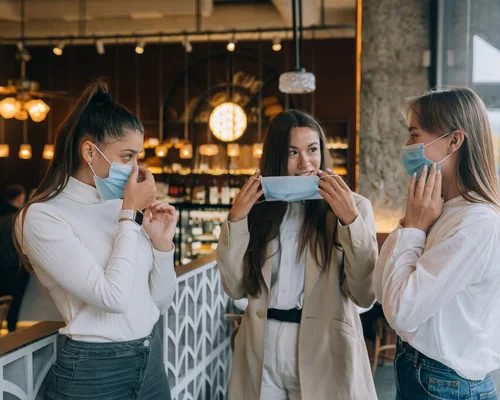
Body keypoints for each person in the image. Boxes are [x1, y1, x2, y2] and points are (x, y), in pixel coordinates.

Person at [13, 81, 177, 399]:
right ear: (89, 150)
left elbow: (161, 301)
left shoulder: (117, 205)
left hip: (150, 357)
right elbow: (112, 298)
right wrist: (130, 213)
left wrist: (161, 246)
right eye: (127, 156)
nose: (136, 169)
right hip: (96, 369)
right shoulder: (42, 216)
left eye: (138, 157)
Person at [217, 110, 378, 399]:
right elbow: (235, 287)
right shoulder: (258, 209)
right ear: (276, 157)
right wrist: (236, 220)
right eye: (293, 152)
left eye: (312, 150)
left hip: (324, 349)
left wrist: (350, 222)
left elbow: (364, 294)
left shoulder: (353, 206)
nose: (305, 162)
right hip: (261, 349)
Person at [374, 88, 500, 400]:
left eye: (415, 135)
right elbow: (380, 288)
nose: (407, 147)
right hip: (422, 373)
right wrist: (410, 223)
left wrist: (413, 227)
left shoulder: (477, 223)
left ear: (454, 141)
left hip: (445, 384)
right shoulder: (439, 209)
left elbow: (400, 311)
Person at [0, 184, 28, 332]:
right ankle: (11, 334)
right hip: (17, 268)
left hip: (1, 267)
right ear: (20, 198)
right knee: (14, 303)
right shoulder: (19, 218)